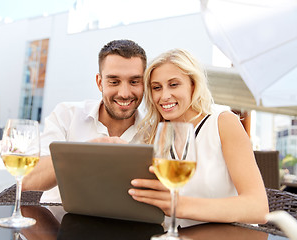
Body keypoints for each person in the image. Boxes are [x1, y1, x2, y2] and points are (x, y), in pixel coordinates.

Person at [128, 48, 269, 227]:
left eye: (174, 84)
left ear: (193, 85)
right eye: (157, 87)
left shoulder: (222, 122)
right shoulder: (154, 134)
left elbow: (258, 208)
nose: (164, 96)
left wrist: (180, 205)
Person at [22, 39, 147, 201]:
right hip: (57, 222)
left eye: (134, 82)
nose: (124, 93)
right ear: (100, 83)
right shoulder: (66, 115)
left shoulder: (155, 132)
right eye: (114, 82)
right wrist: (85, 153)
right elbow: (27, 179)